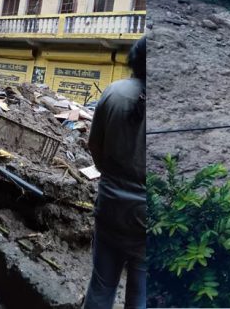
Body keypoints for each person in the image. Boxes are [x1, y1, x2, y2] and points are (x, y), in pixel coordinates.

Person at [84, 38, 146, 309]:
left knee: (101, 286)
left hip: (110, 205)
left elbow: (94, 146)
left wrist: (110, 174)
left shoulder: (113, 93)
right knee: (140, 295)